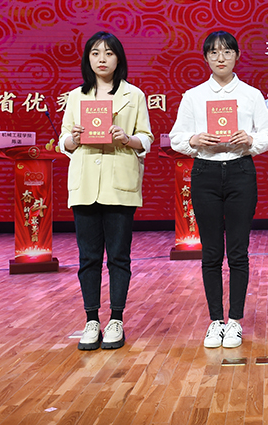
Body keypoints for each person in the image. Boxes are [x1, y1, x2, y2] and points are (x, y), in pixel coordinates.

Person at [169, 31, 268, 349]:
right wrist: (193, 140)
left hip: (241, 171)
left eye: (227, 51)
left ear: (237, 56)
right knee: (212, 252)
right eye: (214, 52)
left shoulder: (251, 95)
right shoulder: (193, 96)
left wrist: (251, 140)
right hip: (206, 173)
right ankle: (216, 320)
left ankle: (235, 321)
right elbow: (176, 138)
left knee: (238, 251)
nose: (220, 58)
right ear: (205, 58)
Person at [60, 31, 154, 351]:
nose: (102, 59)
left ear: (119, 59)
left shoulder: (134, 95)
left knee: (118, 256)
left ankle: (116, 319)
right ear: (88, 59)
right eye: (96, 53)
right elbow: (64, 141)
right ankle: (91, 320)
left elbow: (146, 138)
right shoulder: (76, 96)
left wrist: (126, 138)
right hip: (85, 183)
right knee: (88, 257)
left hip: (119, 184)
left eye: (109, 53)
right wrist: (73, 138)